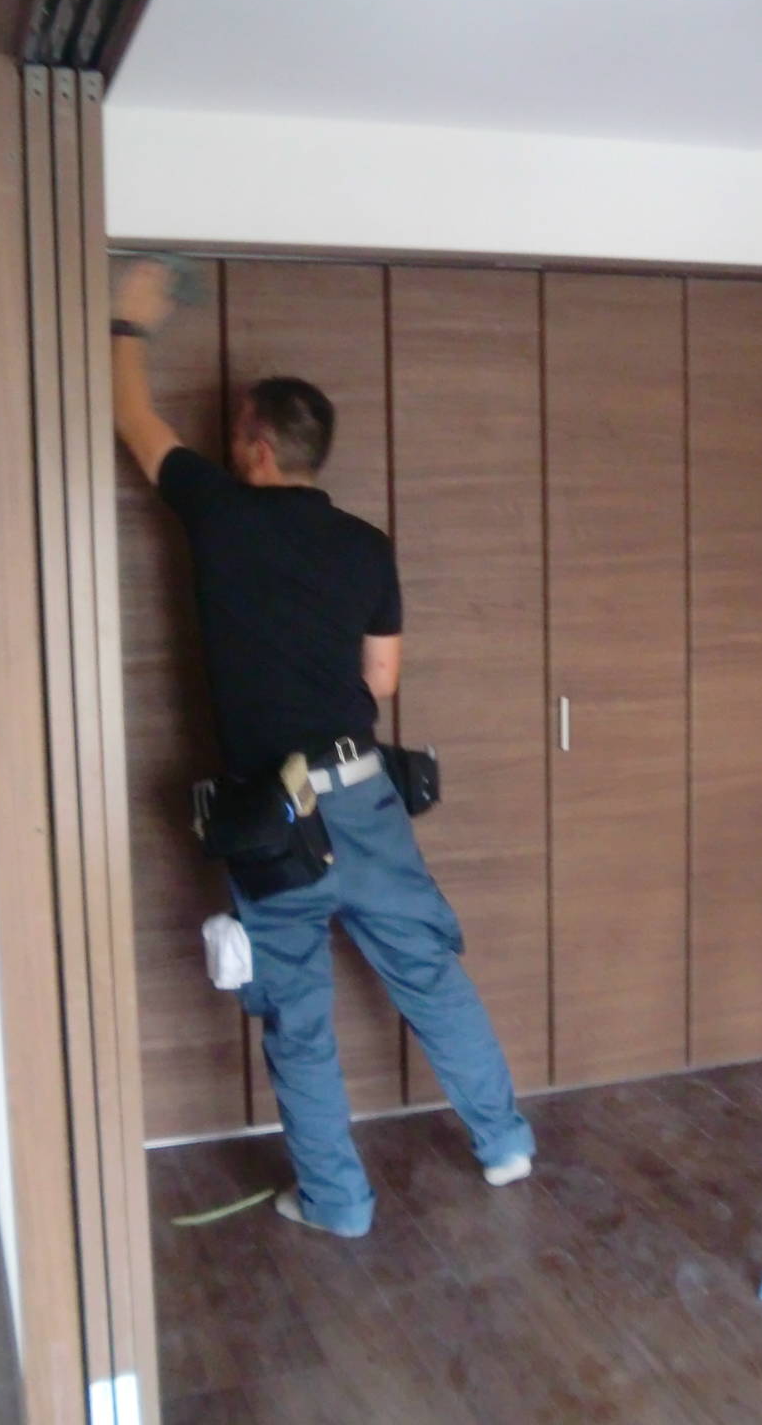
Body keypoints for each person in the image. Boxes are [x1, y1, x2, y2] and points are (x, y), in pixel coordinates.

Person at [109, 259, 534, 1238]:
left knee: (297, 1014)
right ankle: (505, 1143)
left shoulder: (217, 512)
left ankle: (339, 1204)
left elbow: (134, 420)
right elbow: (382, 679)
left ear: (255, 447)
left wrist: (126, 324)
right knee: (431, 976)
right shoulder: (366, 545)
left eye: (234, 434)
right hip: (363, 795)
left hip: (274, 811)